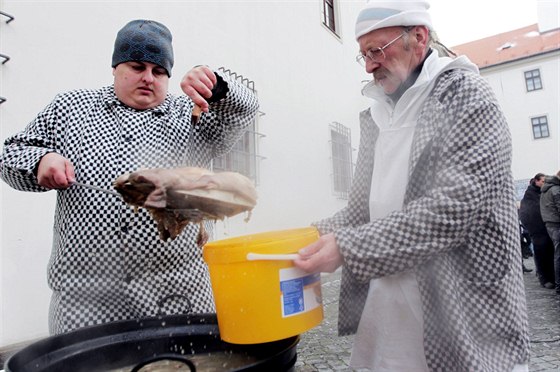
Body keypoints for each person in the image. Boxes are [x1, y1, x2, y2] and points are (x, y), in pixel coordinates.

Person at [293, 1, 529, 371]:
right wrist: (302, 238)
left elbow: (454, 209)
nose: (370, 65)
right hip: (389, 305)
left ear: (418, 38)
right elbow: (360, 211)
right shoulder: (376, 113)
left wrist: (347, 246)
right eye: (363, 55)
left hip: (461, 305)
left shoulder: (467, 97)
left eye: (377, 51)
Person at [0, 19, 259, 334]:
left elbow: (244, 111)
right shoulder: (70, 109)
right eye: (137, 67)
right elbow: (9, 154)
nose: (148, 78)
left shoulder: (191, 116)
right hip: (88, 300)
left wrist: (216, 86)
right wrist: (40, 160)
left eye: (159, 71)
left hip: (179, 293)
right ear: (115, 67)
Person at [519, 174, 555, 287]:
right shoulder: (531, 194)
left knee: (549, 253)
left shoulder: (541, 193)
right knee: (541, 253)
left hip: (545, 228)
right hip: (538, 230)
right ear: (536, 181)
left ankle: (550, 278)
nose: (544, 183)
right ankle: (545, 279)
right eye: (543, 181)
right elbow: (527, 213)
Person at [540, 170, 560, 294]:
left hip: (550, 224)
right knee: (559, 255)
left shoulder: (546, 189)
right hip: (557, 225)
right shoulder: (556, 189)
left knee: (557, 254)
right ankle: (559, 286)